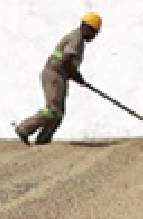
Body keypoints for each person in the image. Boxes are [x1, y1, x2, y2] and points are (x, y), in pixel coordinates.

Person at [14, 12, 101, 145]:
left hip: (60, 76)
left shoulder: (79, 39)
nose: (94, 36)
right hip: (54, 75)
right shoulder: (76, 39)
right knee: (52, 110)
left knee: (58, 114)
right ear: (87, 28)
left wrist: (75, 75)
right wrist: (76, 75)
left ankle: (43, 141)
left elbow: (68, 64)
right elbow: (66, 60)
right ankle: (24, 128)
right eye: (94, 32)